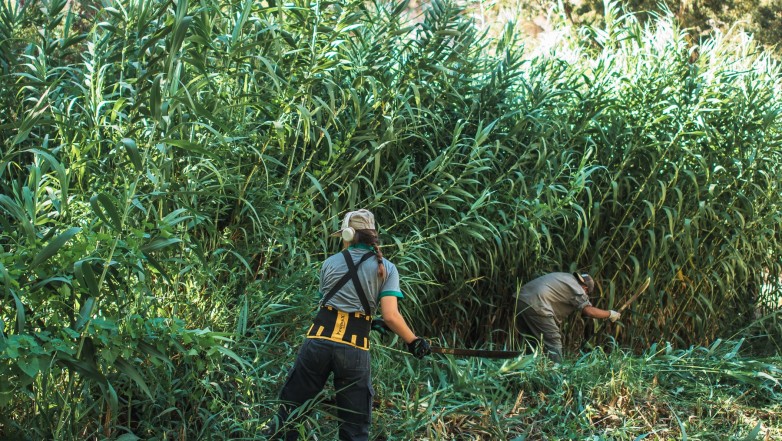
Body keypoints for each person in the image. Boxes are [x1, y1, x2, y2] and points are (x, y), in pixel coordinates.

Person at [265, 209, 430, 441]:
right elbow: (391, 316)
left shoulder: (330, 263)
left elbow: (333, 305)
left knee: (290, 414)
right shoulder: (387, 268)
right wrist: (413, 341)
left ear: (347, 235)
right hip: (353, 350)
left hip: (317, 343)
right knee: (355, 429)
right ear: (373, 235)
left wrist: (368, 323)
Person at [514, 272, 620, 363]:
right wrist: (610, 314)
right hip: (537, 304)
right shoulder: (577, 289)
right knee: (553, 341)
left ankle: (525, 369)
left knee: (531, 341)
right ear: (585, 289)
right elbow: (589, 311)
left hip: (520, 300)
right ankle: (556, 374)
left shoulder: (566, 277)